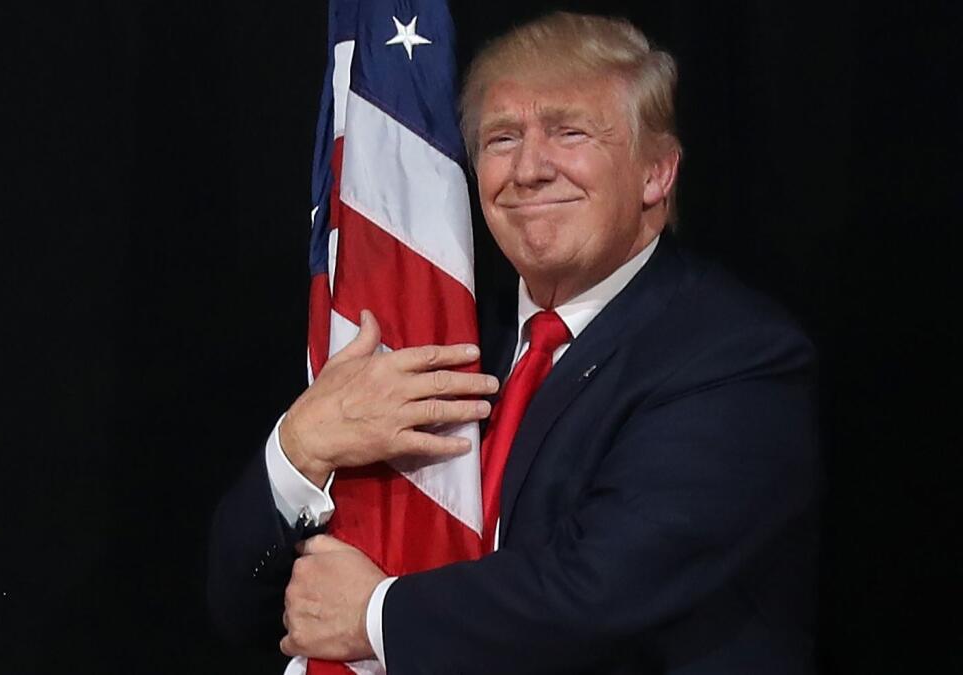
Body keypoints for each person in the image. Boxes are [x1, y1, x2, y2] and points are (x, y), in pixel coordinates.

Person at [208, 11, 819, 674]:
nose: (528, 169)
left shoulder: (734, 355)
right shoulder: (447, 339)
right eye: (502, 138)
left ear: (655, 175)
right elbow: (239, 608)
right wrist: (300, 447)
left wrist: (374, 613)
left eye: (570, 131)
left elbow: (597, 595)